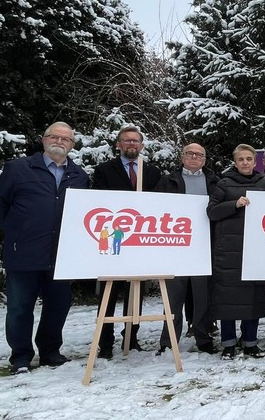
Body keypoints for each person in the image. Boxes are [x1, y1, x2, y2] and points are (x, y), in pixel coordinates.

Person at [0, 122, 90, 373]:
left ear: (72, 145)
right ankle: (21, 356)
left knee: (58, 306)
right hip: (23, 251)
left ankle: (50, 351)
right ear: (44, 140)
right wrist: (18, 229)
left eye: (65, 139)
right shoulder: (18, 169)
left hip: (61, 255)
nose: (59, 141)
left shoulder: (79, 176)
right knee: (19, 307)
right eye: (54, 137)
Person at [92, 125, 162, 359]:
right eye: (127, 140)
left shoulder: (152, 172)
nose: (132, 144)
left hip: (139, 240)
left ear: (141, 145)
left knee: (135, 292)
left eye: (135, 141)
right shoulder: (104, 170)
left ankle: (131, 337)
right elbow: (97, 201)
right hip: (114, 238)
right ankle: (105, 342)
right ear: (118, 145)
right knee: (109, 293)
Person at [207, 144, 265, 359]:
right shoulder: (224, 183)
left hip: (255, 250)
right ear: (235, 162)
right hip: (229, 250)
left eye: (249, 159)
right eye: (241, 159)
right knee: (227, 299)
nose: (245, 162)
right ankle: (228, 343)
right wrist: (233, 204)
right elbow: (211, 212)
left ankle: (250, 342)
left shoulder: (263, 183)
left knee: (253, 298)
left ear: (255, 162)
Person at [154, 143, 220, 356]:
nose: (194, 157)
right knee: (173, 298)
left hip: (203, 246)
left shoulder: (214, 181)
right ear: (182, 157)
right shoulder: (168, 181)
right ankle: (168, 341)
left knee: (202, 298)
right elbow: (155, 209)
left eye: (199, 154)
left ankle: (203, 337)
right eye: (190, 153)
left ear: (204, 159)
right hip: (176, 246)